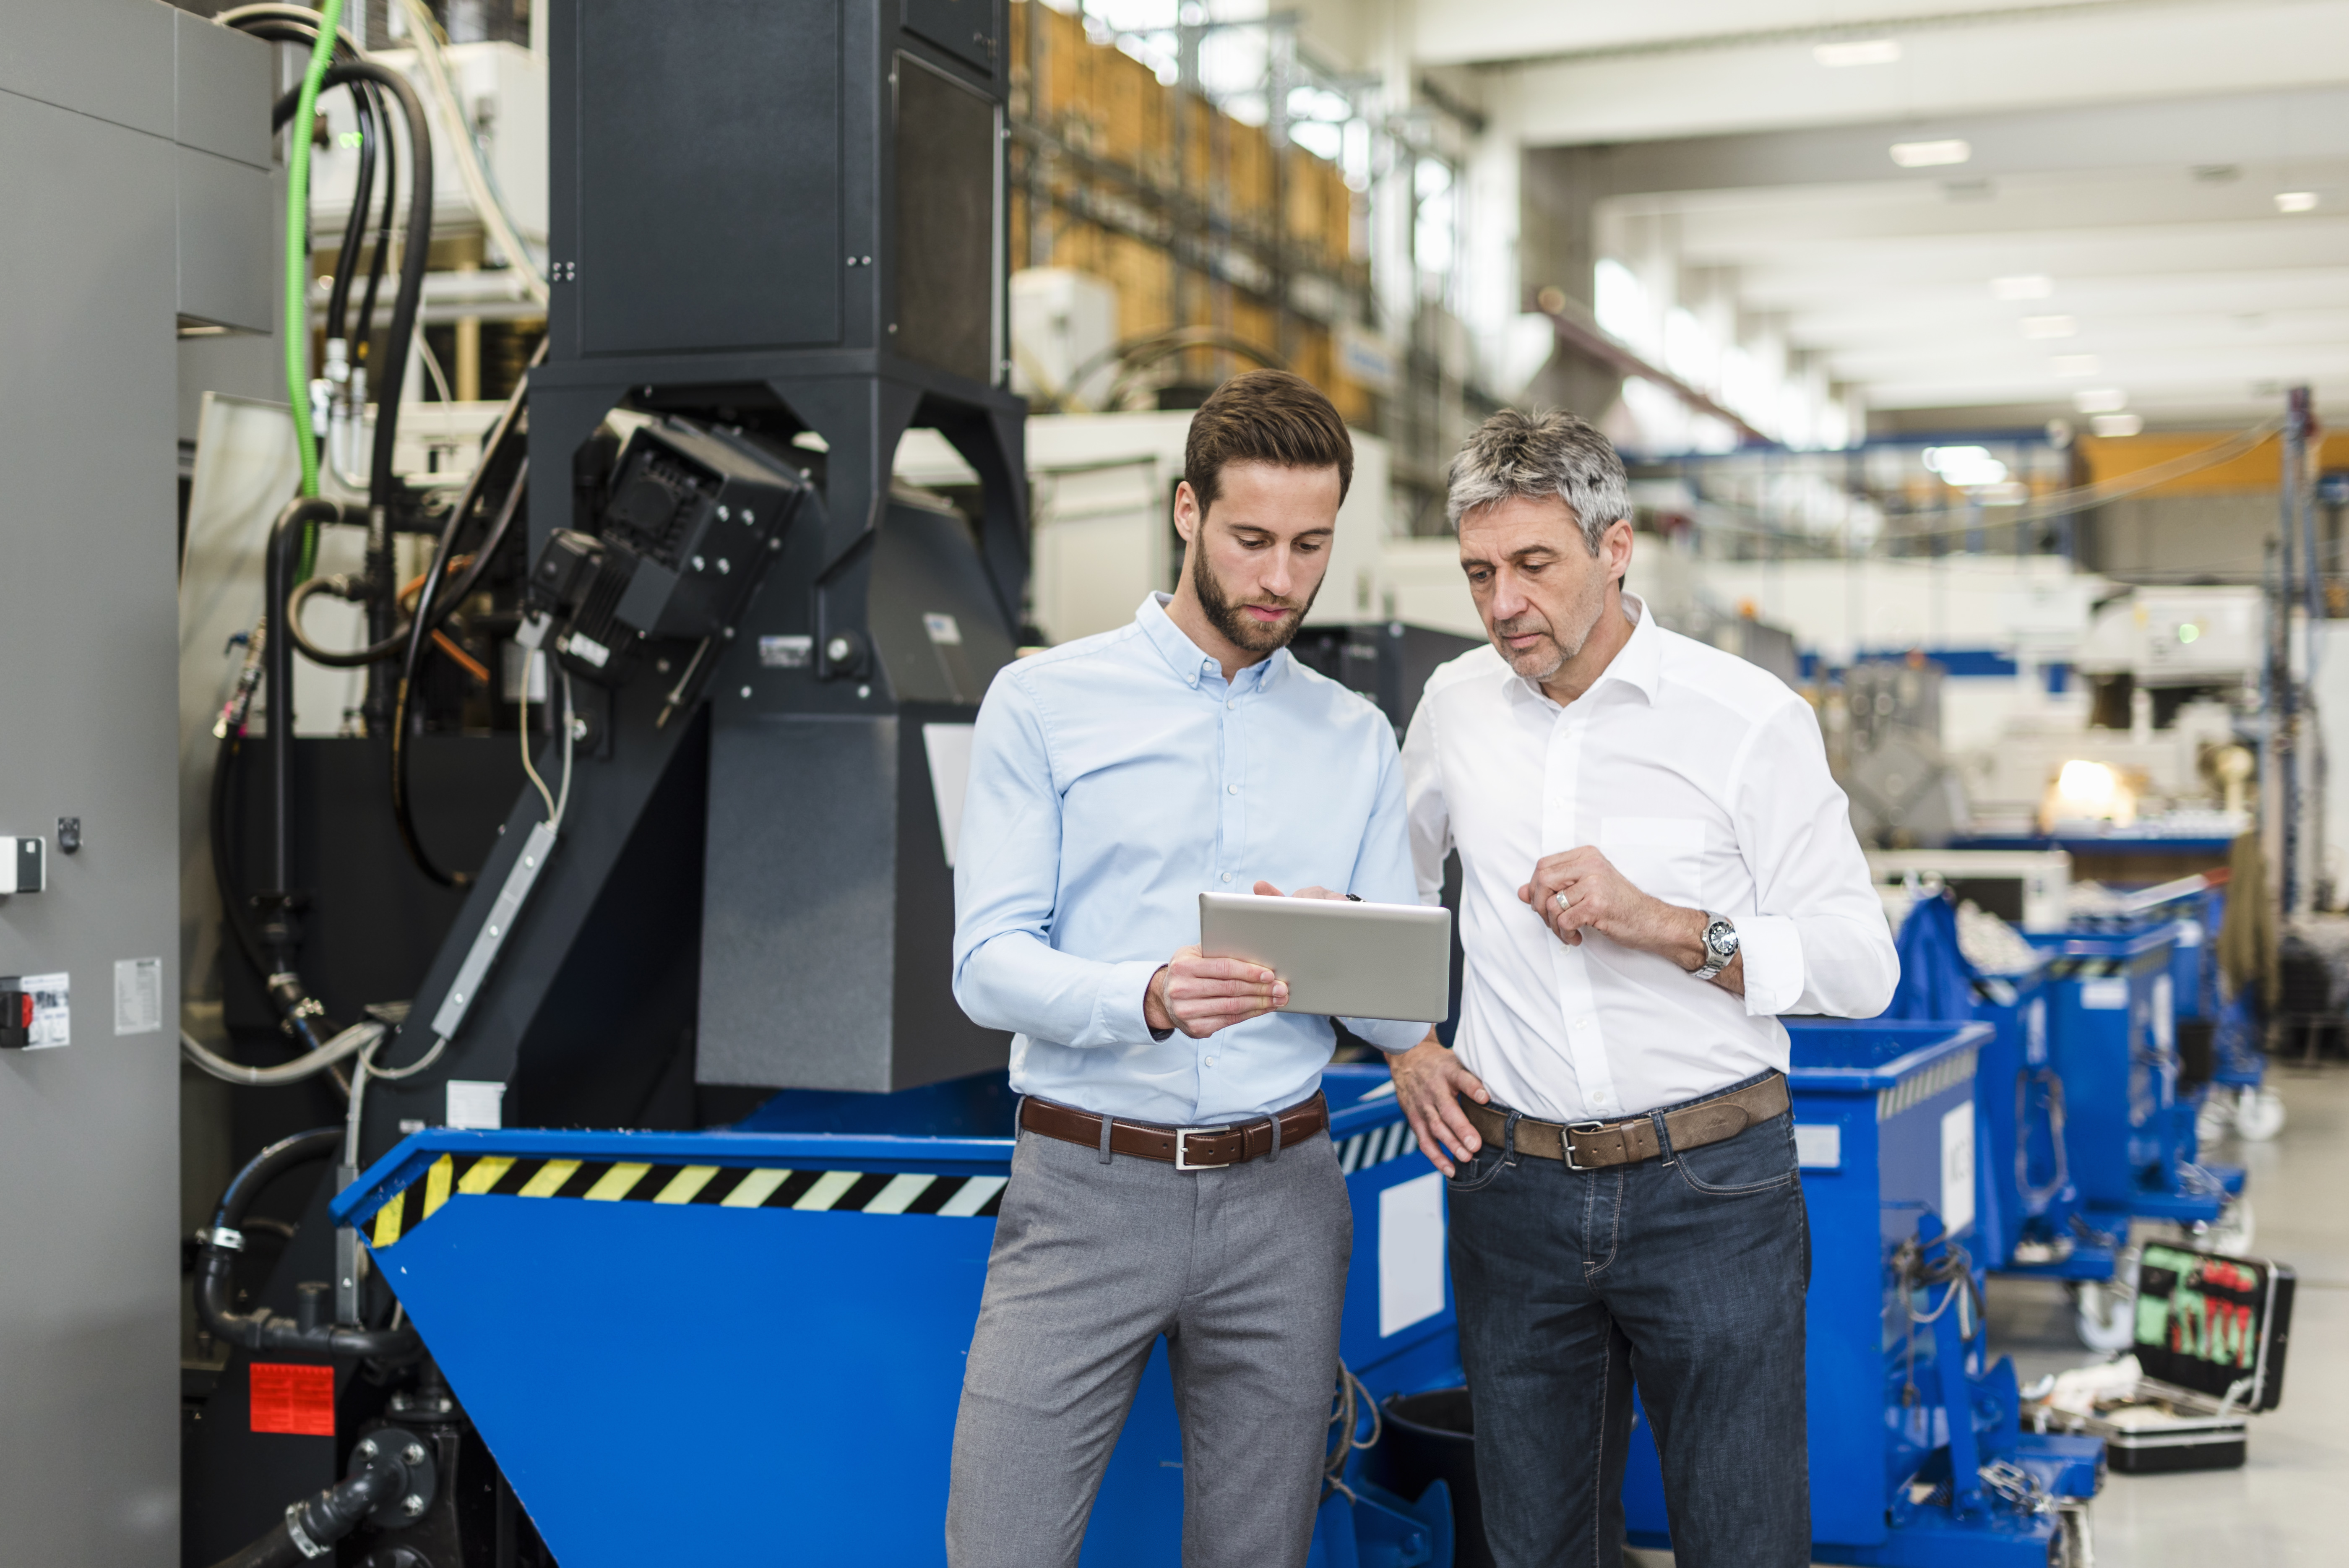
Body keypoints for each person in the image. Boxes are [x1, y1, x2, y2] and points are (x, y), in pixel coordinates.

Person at [1385, 409, 1899, 1568]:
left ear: (1616, 549)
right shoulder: (1456, 707)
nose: (1504, 603)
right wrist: (1406, 1042)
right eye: (1479, 573)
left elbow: (1863, 962)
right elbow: (1395, 891)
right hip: (1511, 1192)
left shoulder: (1747, 718)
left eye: (1533, 566)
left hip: (1712, 1187)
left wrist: (1665, 923)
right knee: (1537, 1546)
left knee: (1742, 1539)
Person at [945, 370, 1430, 1567]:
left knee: (1255, 1554)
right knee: (1000, 1544)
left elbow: (1398, 1000)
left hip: (1285, 1193)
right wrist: (1145, 995)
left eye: (1311, 546)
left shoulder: (1356, 736)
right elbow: (984, 963)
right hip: (1085, 1181)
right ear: (1185, 513)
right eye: (1253, 539)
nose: (1281, 580)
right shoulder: (1044, 702)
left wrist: (1346, 940)